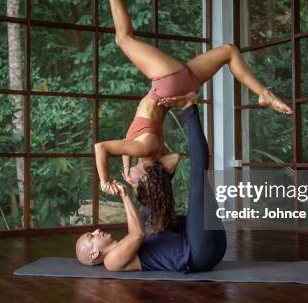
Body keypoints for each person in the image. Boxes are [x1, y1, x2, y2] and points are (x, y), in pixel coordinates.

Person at [86, 0, 291, 203]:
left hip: (184, 85)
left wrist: (131, 170)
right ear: (146, 174)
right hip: (168, 81)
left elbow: (139, 152)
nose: (131, 178)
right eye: (137, 180)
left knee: (228, 50)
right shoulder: (146, 150)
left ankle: (263, 93)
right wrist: (105, 181)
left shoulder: (155, 154)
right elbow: (101, 147)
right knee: (123, 39)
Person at [75, 94, 227, 272]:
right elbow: (137, 234)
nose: (96, 231)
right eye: (90, 237)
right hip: (198, 254)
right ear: (94, 254)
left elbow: (171, 161)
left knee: (153, 212)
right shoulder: (111, 261)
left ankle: (160, 172)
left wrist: (138, 179)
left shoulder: (126, 243)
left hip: (203, 242)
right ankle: (189, 107)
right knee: (198, 179)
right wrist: (124, 195)